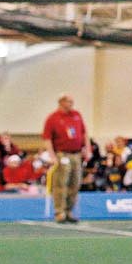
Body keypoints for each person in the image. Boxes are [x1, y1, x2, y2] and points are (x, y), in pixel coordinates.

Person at [42, 94, 87, 223]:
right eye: (69, 101)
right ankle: (59, 212)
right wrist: (52, 156)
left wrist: (87, 148)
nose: (72, 103)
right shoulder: (52, 118)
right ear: (61, 102)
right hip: (62, 154)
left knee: (75, 183)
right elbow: (47, 139)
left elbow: (84, 132)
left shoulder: (76, 115)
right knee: (61, 183)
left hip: (76, 154)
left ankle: (69, 211)